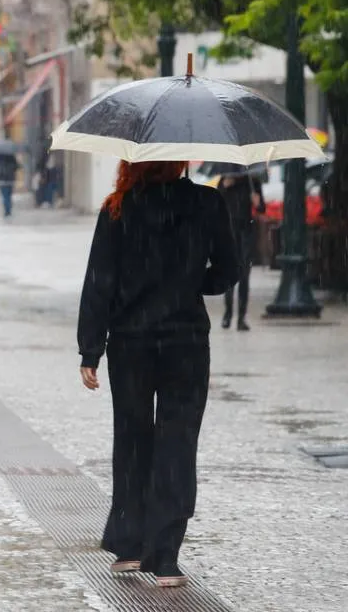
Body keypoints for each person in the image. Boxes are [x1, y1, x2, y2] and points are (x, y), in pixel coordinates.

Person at [77, 160, 238, 588]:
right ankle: (165, 555)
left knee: (131, 436)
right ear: (182, 159)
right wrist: (186, 280)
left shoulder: (119, 207)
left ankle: (129, 546)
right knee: (177, 440)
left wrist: (89, 349)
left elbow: (99, 281)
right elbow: (228, 271)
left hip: (130, 342)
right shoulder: (207, 203)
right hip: (185, 342)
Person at [217, 171, 264, 331]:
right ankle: (228, 314)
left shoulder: (252, 181)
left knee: (244, 275)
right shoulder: (225, 179)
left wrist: (257, 202)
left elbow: (262, 208)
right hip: (228, 233)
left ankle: (241, 317)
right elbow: (216, 204)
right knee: (229, 274)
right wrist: (224, 187)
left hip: (246, 232)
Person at [0, 148, 19, 218]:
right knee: (9, 195)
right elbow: (16, 166)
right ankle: (8, 209)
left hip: (2, 180)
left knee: (5, 196)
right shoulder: (12, 157)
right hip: (10, 179)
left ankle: (7, 211)